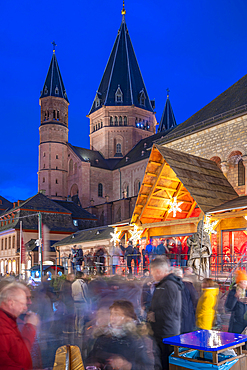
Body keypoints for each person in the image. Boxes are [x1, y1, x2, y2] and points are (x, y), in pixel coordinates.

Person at [86, 299, 153, 370]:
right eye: (111, 314)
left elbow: (150, 367)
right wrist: (96, 364)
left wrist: (127, 365)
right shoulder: (104, 336)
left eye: (116, 314)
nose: (112, 318)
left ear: (127, 318)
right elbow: (91, 358)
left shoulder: (138, 339)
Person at [148, 257, 183, 370]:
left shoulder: (168, 286)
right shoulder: (166, 284)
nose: (152, 275)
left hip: (166, 333)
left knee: (166, 363)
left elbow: (168, 311)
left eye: (152, 272)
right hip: (166, 331)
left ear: (157, 271)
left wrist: (153, 315)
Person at [0, 282, 39, 370]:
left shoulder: (11, 320)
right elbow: (18, 358)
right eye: (23, 302)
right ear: (11, 303)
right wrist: (30, 327)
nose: (28, 304)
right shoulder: (3, 326)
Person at [173, 267, 198, 334]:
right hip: (188, 315)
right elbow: (195, 298)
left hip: (176, 317)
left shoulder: (171, 286)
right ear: (182, 275)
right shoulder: (188, 285)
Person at [72, 271, 89, 336]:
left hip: (75, 302)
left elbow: (72, 294)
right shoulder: (82, 283)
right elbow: (85, 293)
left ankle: (76, 330)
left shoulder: (73, 283)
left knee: (76, 316)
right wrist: (87, 302)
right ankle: (80, 331)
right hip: (82, 302)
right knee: (81, 317)